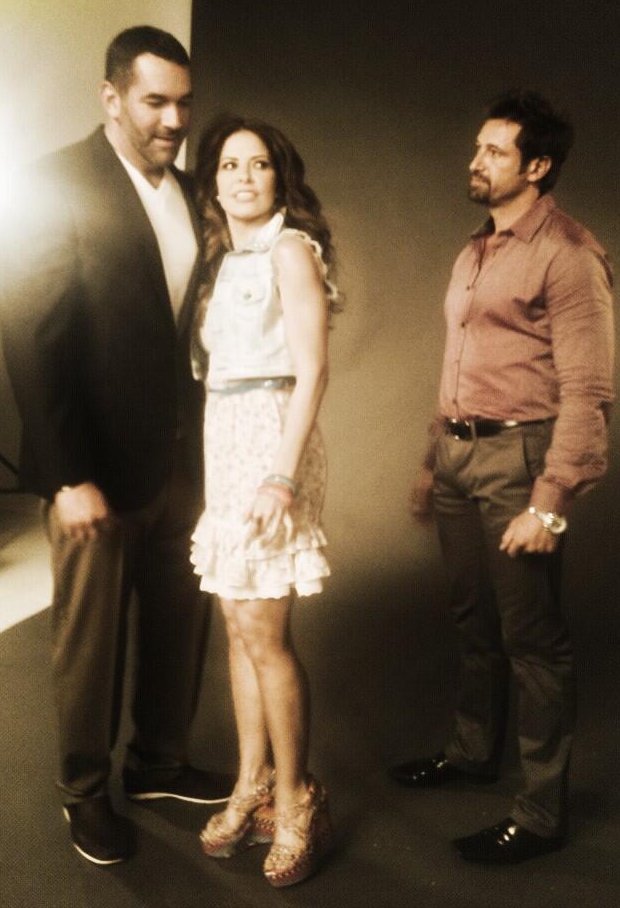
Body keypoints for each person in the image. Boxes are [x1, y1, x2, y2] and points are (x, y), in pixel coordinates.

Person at [0, 26, 230, 867]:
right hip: (94, 469)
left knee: (178, 623)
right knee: (91, 643)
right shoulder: (51, 183)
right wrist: (67, 477)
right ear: (111, 97)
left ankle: (159, 763)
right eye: (155, 101)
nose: (174, 119)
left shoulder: (195, 192)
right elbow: (31, 338)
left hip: (181, 463)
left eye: (184, 103)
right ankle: (85, 791)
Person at [391, 91, 615, 864]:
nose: (476, 160)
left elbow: (589, 392)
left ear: (538, 166)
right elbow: (460, 361)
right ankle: (471, 753)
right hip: (458, 457)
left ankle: (541, 814)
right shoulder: (477, 249)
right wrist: (433, 461)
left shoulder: (570, 254)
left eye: (494, 151)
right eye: (478, 147)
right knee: (472, 622)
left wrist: (549, 505)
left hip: (520, 463)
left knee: (533, 642)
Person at [188, 116, 338, 887]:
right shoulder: (224, 258)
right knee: (237, 624)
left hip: (271, 441)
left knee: (265, 632)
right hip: (225, 439)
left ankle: (296, 795)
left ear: (280, 179)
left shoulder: (290, 249)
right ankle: (251, 782)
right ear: (213, 183)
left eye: (257, 165)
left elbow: (312, 370)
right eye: (228, 165)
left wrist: (281, 474)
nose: (242, 177)